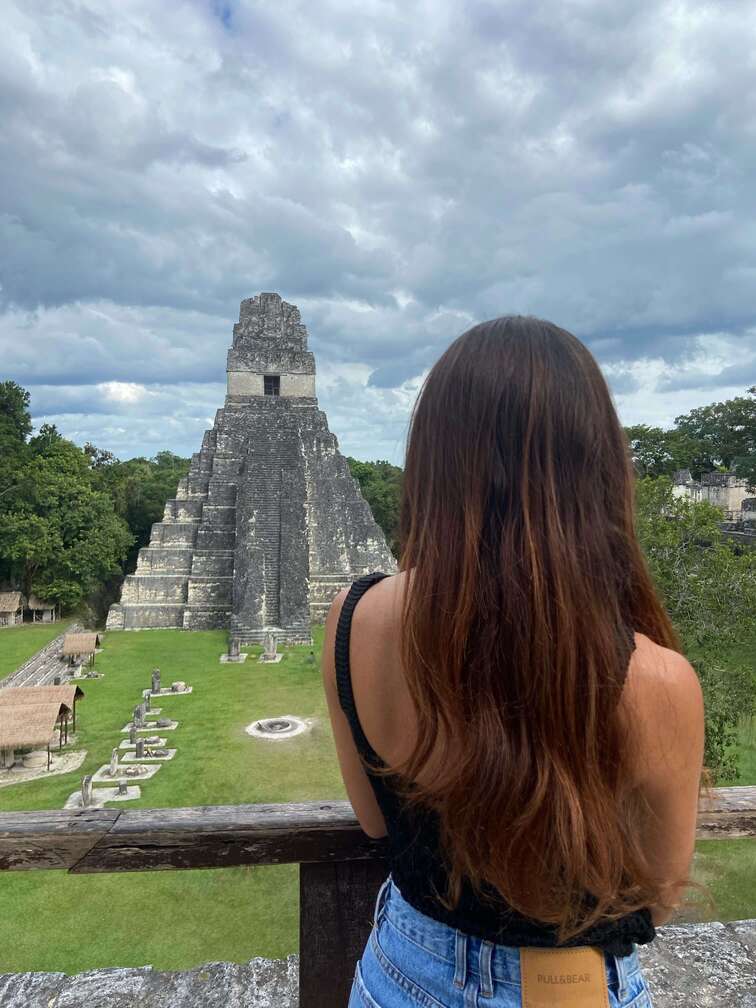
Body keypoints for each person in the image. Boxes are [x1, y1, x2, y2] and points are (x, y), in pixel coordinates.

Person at [322, 316, 704, 1008]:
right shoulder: (655, 681)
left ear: (435, 459)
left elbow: (377, 823)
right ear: (598, 468)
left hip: (400, 971)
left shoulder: (355, 620)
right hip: (573, 986)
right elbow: (661, 892)